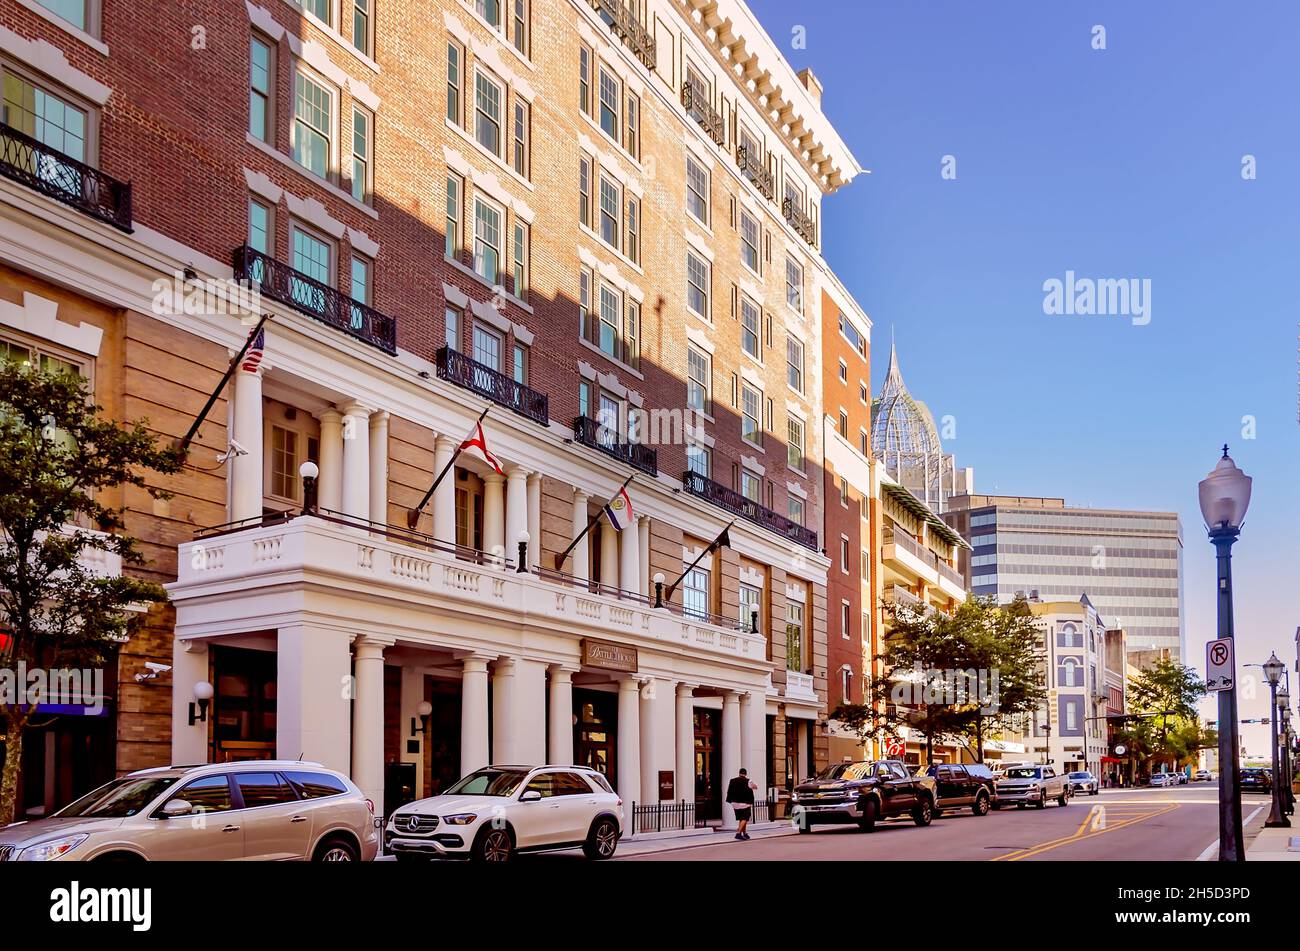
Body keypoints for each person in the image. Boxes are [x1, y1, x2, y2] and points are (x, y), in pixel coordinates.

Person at [725, 767, 757, 840]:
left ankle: (745, 833)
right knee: (745, 818)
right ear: (745, 774)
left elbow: (729, 791)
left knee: (741, 819)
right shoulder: (748, 781)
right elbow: (755, 787)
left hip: (735, 803)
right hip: (745, 803)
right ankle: (738, 833)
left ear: (739, 773)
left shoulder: (732, 781)